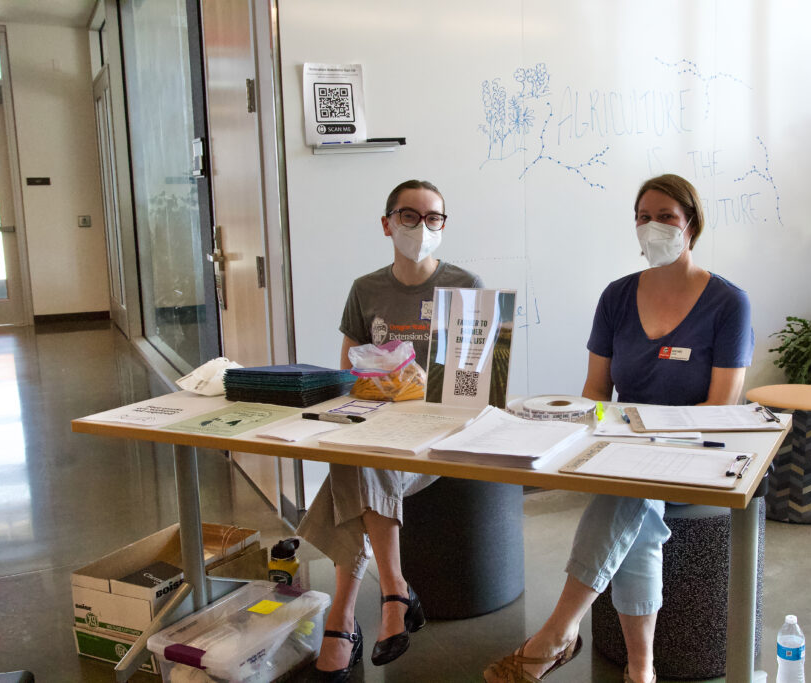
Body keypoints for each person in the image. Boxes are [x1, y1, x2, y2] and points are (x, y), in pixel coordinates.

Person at [483, 174, 753, 683]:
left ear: (691, 225)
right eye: (643, 216)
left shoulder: (728, 304)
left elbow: (721, 409)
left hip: (700, 452)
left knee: (628, 495)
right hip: (628, 450)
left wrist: (642, 439)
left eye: (666, 216)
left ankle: (556, 634)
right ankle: (640, 670)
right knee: (634, 504)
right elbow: (594, 395)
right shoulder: (616, 297)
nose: (653, 227)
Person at [298, 179, 483, 682]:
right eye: (409, 216)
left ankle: (345, 617)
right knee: (356, 454)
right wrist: (381, 385)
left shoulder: (466, 286)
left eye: (433, 218)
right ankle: (392, 591)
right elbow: (348, 375)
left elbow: (478, 389)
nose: (421, 228)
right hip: (380, 423)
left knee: (355, 464)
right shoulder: (366, 289)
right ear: (387, 224)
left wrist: (430, 387)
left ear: (444, 226)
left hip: (441, 431)